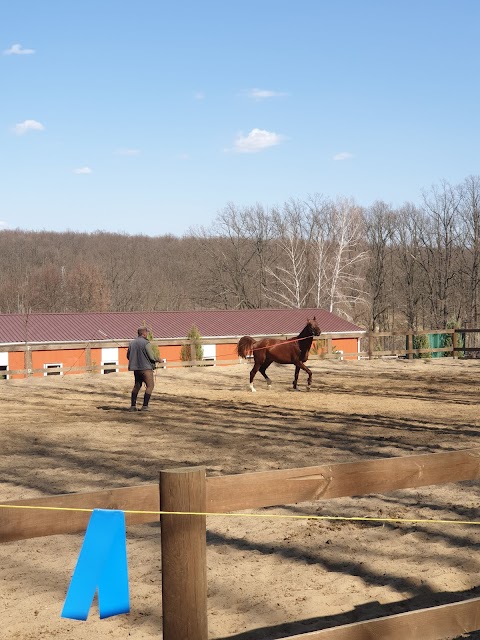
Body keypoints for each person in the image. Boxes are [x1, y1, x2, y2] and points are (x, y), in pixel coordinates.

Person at [126, 327, 161, 411]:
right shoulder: (146, 343)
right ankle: (145, 406)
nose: (147, 334)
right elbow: (151, 357)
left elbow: (128, 356)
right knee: (150, 386)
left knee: (137, 386)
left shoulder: (132, 343)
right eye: (146, 332)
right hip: (146, 369)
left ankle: (133, 406)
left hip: (136, 369)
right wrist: (158, 359)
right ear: (143, 333)